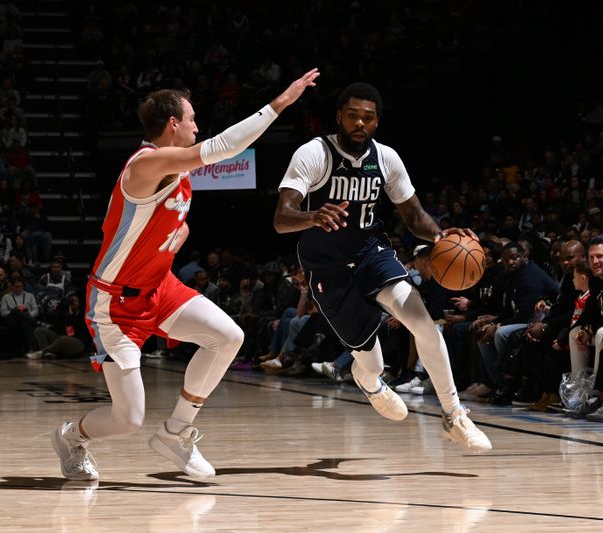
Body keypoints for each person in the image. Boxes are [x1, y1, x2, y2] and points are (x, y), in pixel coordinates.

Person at [49, 68, 321, 481]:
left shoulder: (177, 168)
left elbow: (172, 217)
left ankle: (176, 432)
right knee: (128, 419)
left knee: (228, 336)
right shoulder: (146, 164)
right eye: (192, 119)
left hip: (159, 287)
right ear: (173, 124)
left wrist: (178, 234)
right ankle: (71, 436)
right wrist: (280, 102)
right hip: (115, 302)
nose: (197, 126)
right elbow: (226, 146)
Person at [273, 82, 491, 450]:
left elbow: (413, 214)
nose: (360, 123)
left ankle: (454, 415)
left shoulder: (386, 158)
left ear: (377, 122)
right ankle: (370, 381)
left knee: (421, 321)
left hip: (372, 254)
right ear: (339, 116)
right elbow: (282, 218)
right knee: (370, 361)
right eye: (353, 115)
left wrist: (440, 237)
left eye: (368, 118)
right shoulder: (314, 153)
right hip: (328, 269)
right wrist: (312, 216)